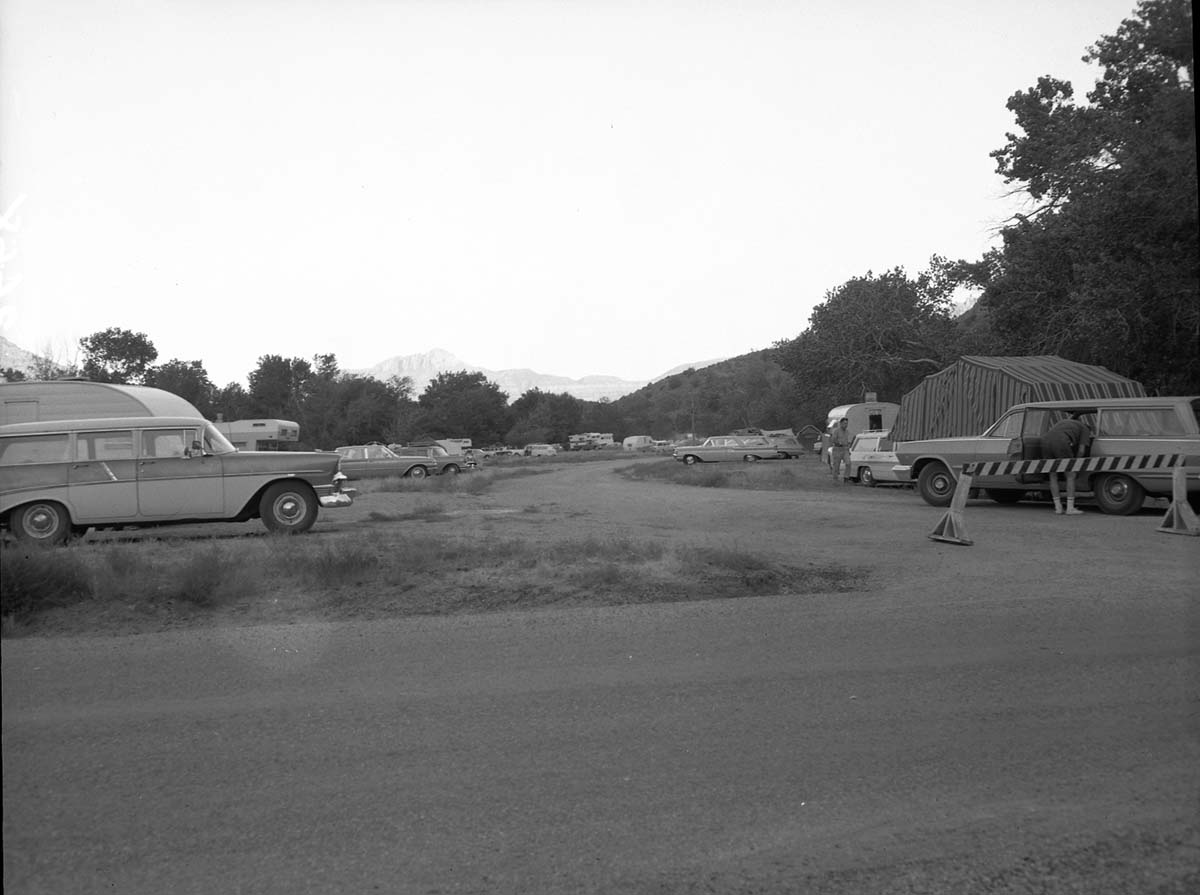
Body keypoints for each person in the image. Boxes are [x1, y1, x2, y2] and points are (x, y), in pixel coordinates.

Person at [1042, 416, 1093, 515]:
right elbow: (1082, 450)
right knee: (1070, 475)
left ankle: (1058, 508)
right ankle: (1070, 508)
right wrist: (1075, 464)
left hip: (1045, 441)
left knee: (1053, 475)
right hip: (1061, 441)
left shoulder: (1065, 422)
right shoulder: (1085, 429)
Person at [829, 418, 851, 482]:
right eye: (844, 423)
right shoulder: (836, 431)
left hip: (845, 449)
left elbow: (847, 441)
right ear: (841, 424)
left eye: (847, 423)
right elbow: (833, 440)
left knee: (848, 463)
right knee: (836, 465)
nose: (846, 425)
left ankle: (846, 478)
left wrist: (848, 448)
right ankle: (835, 479)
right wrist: (839, 443)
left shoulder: (847, 432)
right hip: (837, 449)